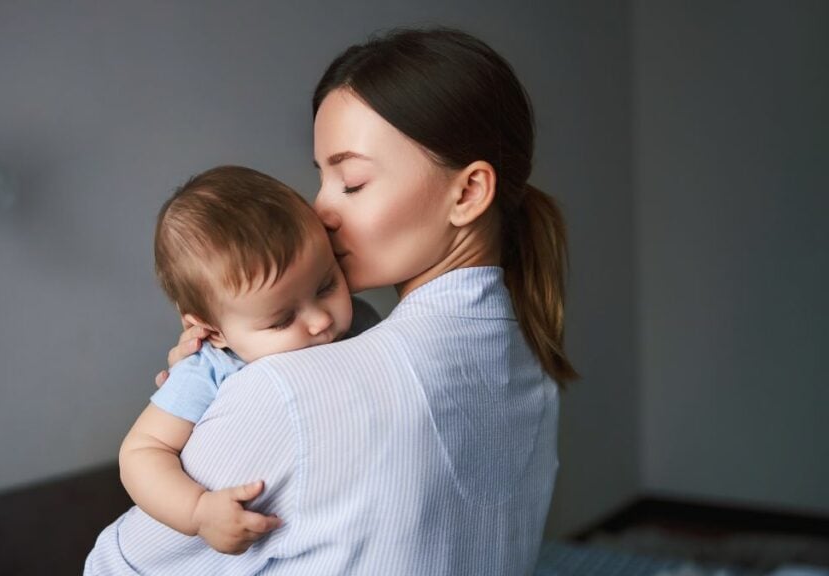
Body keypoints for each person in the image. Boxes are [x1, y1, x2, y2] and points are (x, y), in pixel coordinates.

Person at [86, 27, 576, 575]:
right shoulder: (535, 366)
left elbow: (117, 568)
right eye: (322, 178)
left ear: (467, 193)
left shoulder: (288, 388)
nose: (321, 212)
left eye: (353, 181)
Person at [119, 165, 378, 554]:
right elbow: (141, 452)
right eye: (282, 320)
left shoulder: (361, 320)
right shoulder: (208, 368)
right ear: (213, 330)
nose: (321, 319)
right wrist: (199, 511)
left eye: (326, 284)